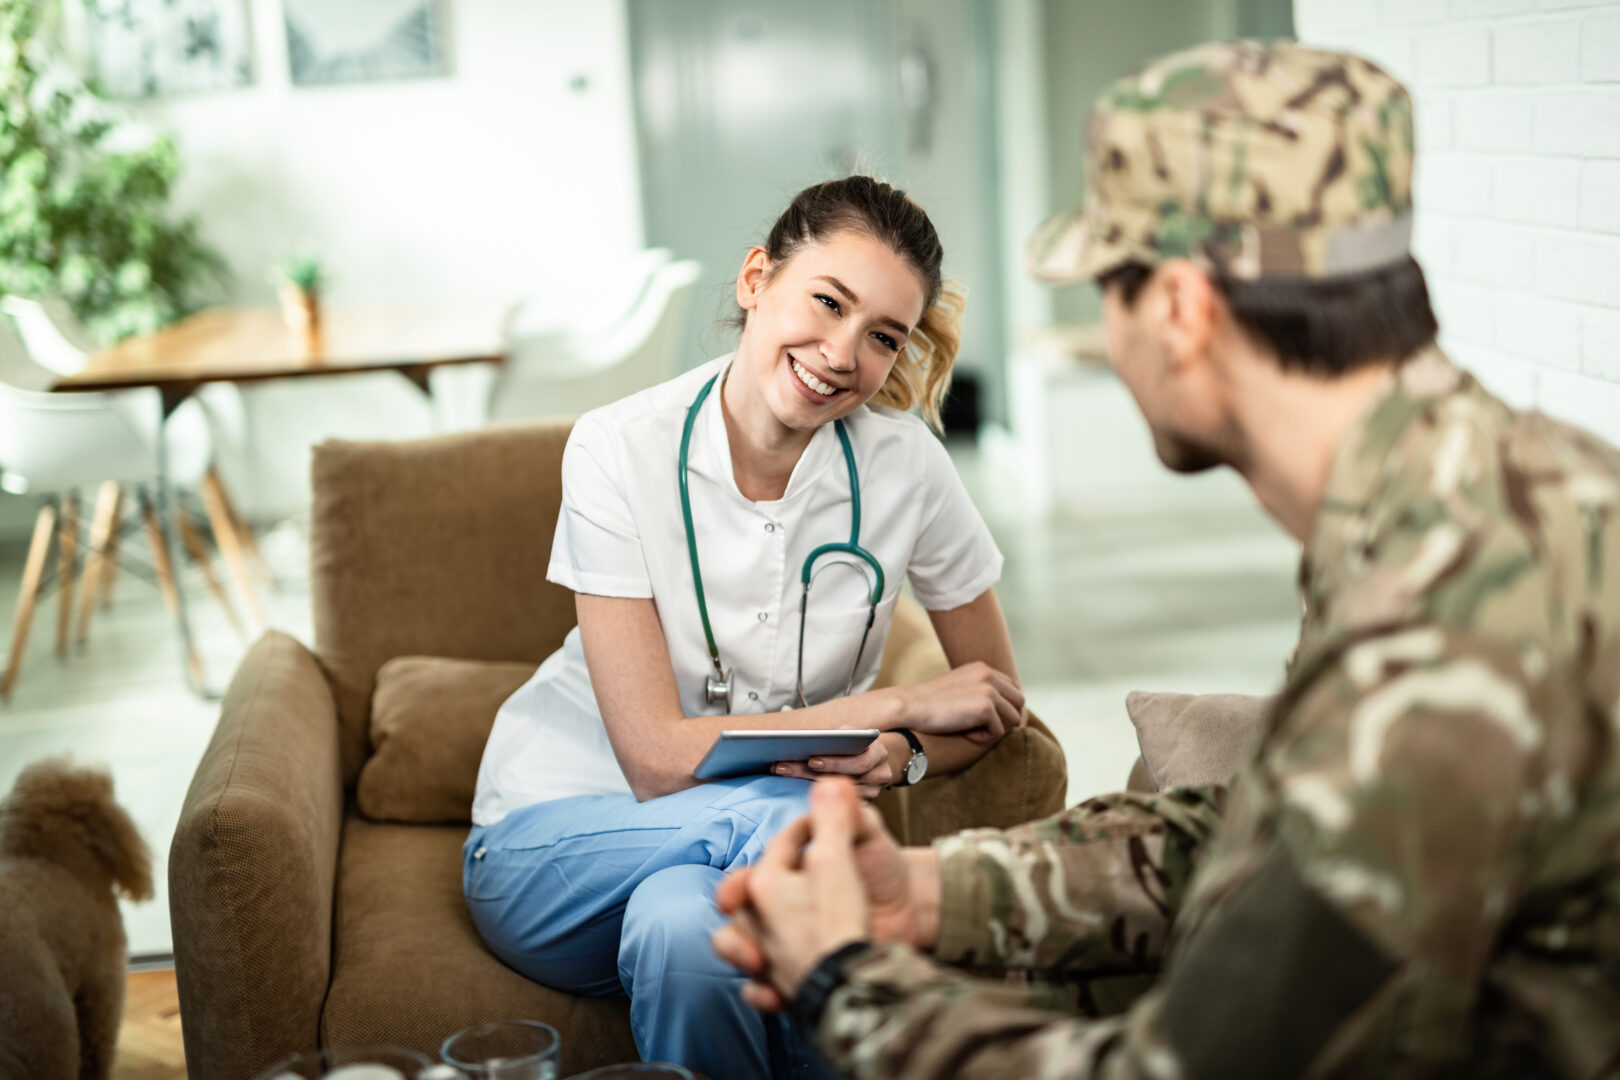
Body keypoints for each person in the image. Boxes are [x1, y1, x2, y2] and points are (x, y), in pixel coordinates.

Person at [712, 40, 1620, 1078]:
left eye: (1107, 285)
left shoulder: (1451, 620)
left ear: (1181, 309)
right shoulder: (1460, 494)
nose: (1102, 324)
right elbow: (1276, 835)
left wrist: (844, 975)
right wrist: (929, 893)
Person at [463, 175, 1028, 1080]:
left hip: (714, 871)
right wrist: (893, 704)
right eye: (827, 302)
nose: (843, 354)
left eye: (883, 336)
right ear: (756, 278)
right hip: (556, 836)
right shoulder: (616, 447)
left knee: (683, 928)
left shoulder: (908, 467)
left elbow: (994, 704)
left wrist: (905, 753)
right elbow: (654, 759)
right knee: (801, 810)